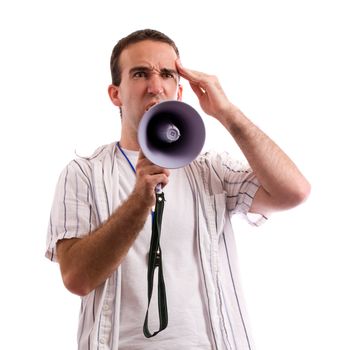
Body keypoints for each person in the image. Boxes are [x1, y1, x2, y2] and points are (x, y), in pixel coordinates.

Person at [46, 29, 310, 350]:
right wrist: (139, 202)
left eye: (167, 74)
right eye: (140, 73)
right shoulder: (84, 173)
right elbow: (77, 278)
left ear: (179, 90)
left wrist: (227, 113)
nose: (155, 86)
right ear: (115, 94)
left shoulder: (210, 169)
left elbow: (293, 191)